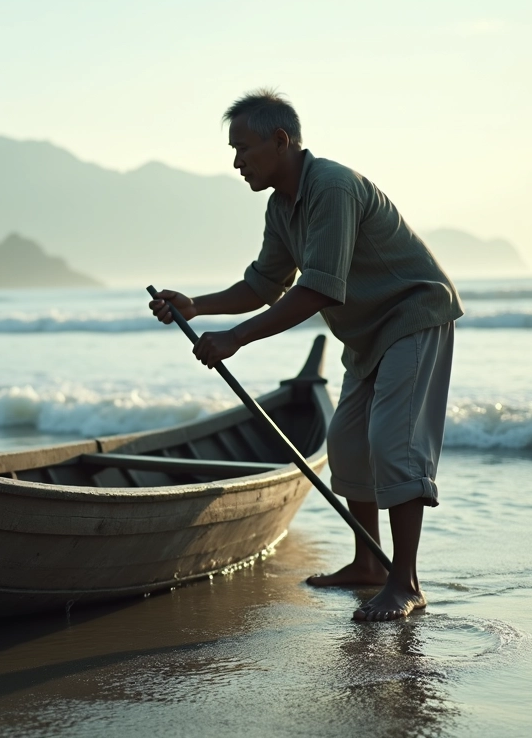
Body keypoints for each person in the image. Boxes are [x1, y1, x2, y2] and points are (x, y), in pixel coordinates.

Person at [149, 89, 462, 621]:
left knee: (395, 445)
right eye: (232, 150)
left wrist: (236, 338)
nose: (236, 161)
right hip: (366, 334)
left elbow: (318, 289)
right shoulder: (281, 206)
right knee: (347, 444)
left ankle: (405, 582)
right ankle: (369, 563)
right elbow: (263, 284)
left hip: (412, 315)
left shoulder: (331, 187)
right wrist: (197, 306)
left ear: (280, 140)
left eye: (243, 148)